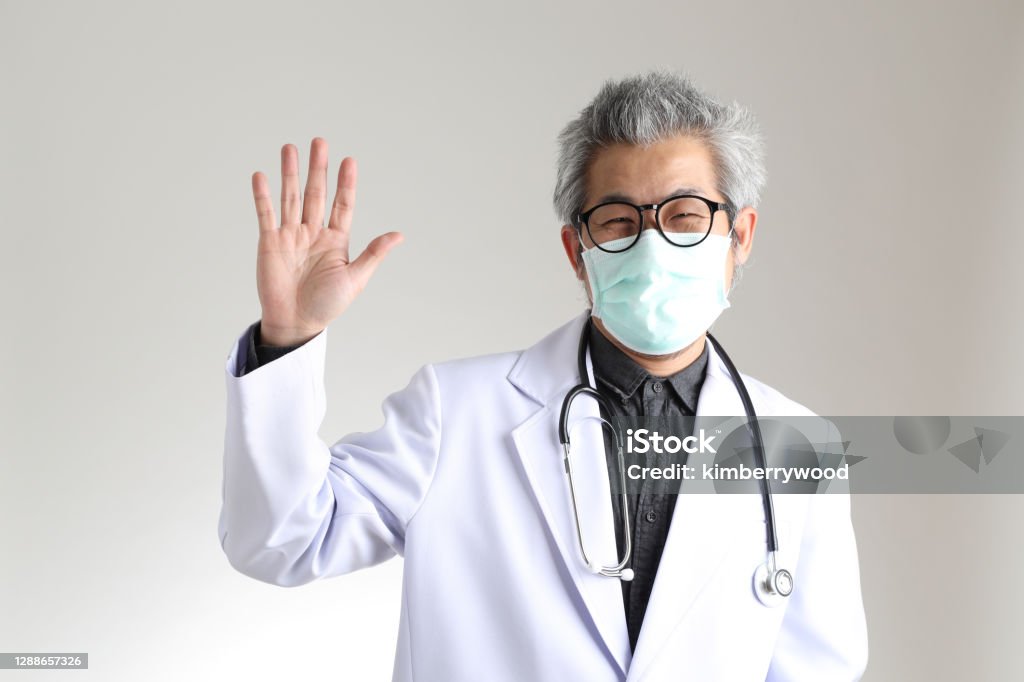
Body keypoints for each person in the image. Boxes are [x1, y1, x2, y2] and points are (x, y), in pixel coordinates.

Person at [218, 70, 869, 681]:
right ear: (576, 251)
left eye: (684, 216)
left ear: (740, 234)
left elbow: (818, 668)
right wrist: (289, 337)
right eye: (618, 222)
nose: (652, 243)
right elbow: (281, 540)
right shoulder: (457, 413)